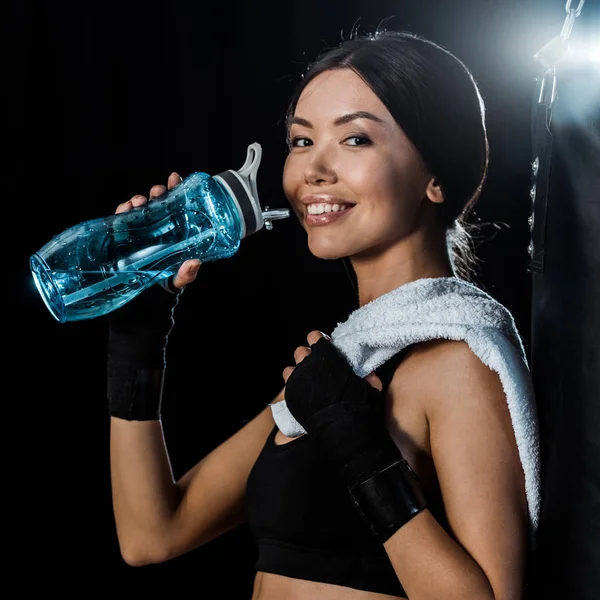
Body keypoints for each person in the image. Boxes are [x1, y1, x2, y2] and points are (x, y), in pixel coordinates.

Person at [107, 28, 537, 600]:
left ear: (436, 174)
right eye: (302, 141)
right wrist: (140, 340)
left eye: (355, 140)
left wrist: (363, 456)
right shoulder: (342, 364)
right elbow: (152, 534)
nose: (313, 169)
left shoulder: (453, 361)